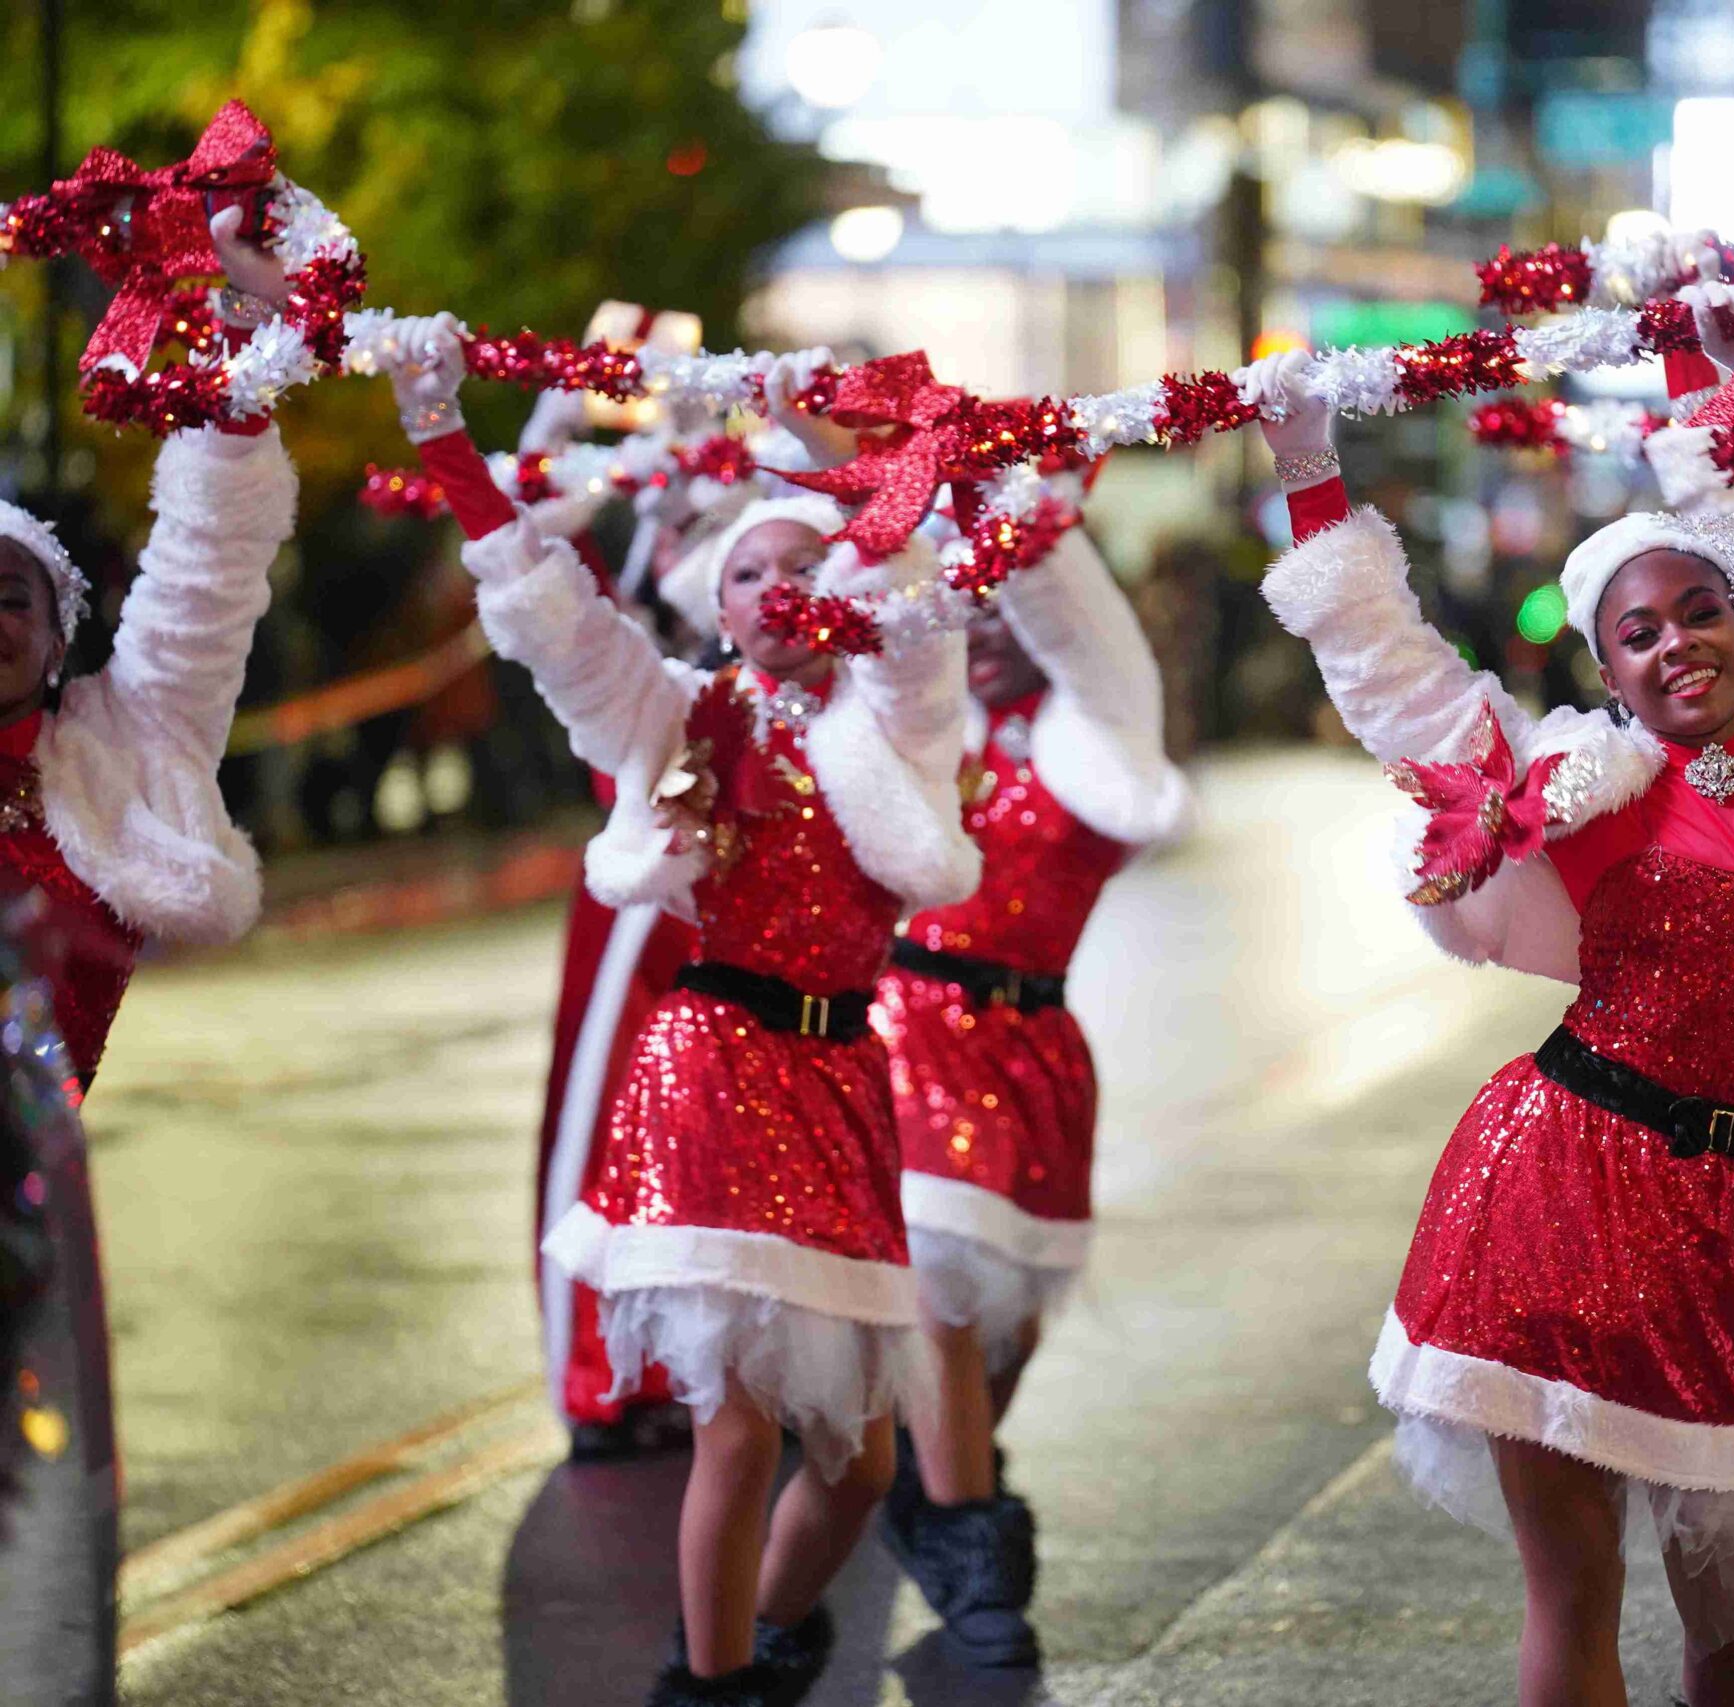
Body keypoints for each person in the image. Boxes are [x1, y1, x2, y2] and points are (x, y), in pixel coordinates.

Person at [1246, 339, 1734, 1707]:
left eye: (1698, 610)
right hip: (1559, 1189)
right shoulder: (1577, 788)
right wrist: (1310, 472)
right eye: (1638, 632)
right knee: (1578, 1586)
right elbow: (1396, 680)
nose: (1677, 645)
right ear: (1606, 668)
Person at [372, 317, 979, 1707]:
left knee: (865, 1459)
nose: (776, 585)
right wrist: (446, 442)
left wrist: (860, 470)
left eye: (801, 564)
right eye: (748, 569)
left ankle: (755, 1636)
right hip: (713, 1067)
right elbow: (545, 608)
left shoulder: (892, 733)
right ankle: (708, 1685)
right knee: (739, 1425)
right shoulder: (682, 718)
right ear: (719, 600)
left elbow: (922, 617)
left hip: (841, 1085)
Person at [866, 480, 1189, 1667]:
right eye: (971, 602)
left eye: (1013, 604)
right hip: (907, 1024)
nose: (990, 624)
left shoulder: (1097, 742)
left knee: (1009, 1319)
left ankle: (934, 1479)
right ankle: (970, 1550)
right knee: (941, 1294)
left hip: (1040, 1047)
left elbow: (1102, 666)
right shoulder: (905, 726)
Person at [0, 206, 300, 1086]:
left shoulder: (120, 753)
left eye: (12, 599)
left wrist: (241, 326)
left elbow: (206, 568)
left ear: (59, 640)